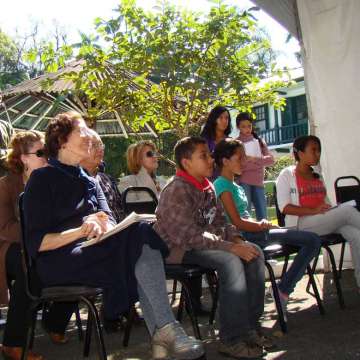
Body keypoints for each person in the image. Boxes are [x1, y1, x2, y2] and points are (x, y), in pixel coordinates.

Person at [23, 112, 204, 360]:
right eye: (82, 131)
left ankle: (163, 331)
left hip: (95, 250)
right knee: (139, 244)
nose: (89, 136)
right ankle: (164, 330)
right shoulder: (41, 179)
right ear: (62, 140)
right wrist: (81, 230)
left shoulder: (90, 179)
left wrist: (103, 226)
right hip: (58, 259)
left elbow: (108, 218)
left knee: (139, 236)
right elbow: (37, 243)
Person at [154, 136, 268, 359]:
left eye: (209, 154)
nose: (210, 159)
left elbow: (220, 223)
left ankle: (249, 328)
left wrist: (236, 240)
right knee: (231, 261)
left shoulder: (206, 187)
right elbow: (189, 236)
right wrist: (230, 248)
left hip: (200, 244)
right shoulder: (176, 189)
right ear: (186, 163)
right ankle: (231, 339)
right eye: (203, 156)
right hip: (177, 250)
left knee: (254, 252)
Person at [213, 138, 321, 318]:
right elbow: (237, 223)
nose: (245, 161)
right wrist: (261, 224)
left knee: (312, 241)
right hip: (244, 235)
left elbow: (243, 218)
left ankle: (283, 289)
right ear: (225, 161)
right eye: (240, 158)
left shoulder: (234, 185)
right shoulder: (222, 186)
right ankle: (283, 290)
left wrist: (261, 224)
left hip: (254, 232)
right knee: (312, 240)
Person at [0, 131, 74, 360]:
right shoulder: (5, 185)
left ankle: (55, 322)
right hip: (9, 247)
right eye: (41, 153)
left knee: (77, 259)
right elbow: (4, 227)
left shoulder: (50, 182)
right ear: (23, 158)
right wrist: (36, 236)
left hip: (45, 242)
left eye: (47, 152)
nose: (47, 157)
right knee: (29, 266)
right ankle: (13, 342)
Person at [276, 135, 360, 291]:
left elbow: (325, 202)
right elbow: (285, 207)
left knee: (356, 235)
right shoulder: (286, 175)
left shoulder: (317, 175)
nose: (317, 154)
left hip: (323, 221)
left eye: (319, 150)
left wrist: (329, 208)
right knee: (348, 211)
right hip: (301, 225)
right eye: (313, 150)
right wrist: (313, 210)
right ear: (300, 153)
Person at [80, 130, 125, 224]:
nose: (100, 149)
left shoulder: (107, 179)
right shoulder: (76, 182)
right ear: (80, 151)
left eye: (101, 145)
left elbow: (121, 211)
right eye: (94, 145)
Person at [235, 112, 274, 220]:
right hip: (243, 183)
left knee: (263, 215)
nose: (247, 129)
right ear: (238, 127)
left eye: (249, 126)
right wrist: (259, 163)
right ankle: (248, 237)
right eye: (243, 126)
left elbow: (271, 160)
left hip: (258, 182)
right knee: (245, 214)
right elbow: (238, 166)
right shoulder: (236, 143)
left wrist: (254, 159)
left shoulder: (260, 141)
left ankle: (264, 236)